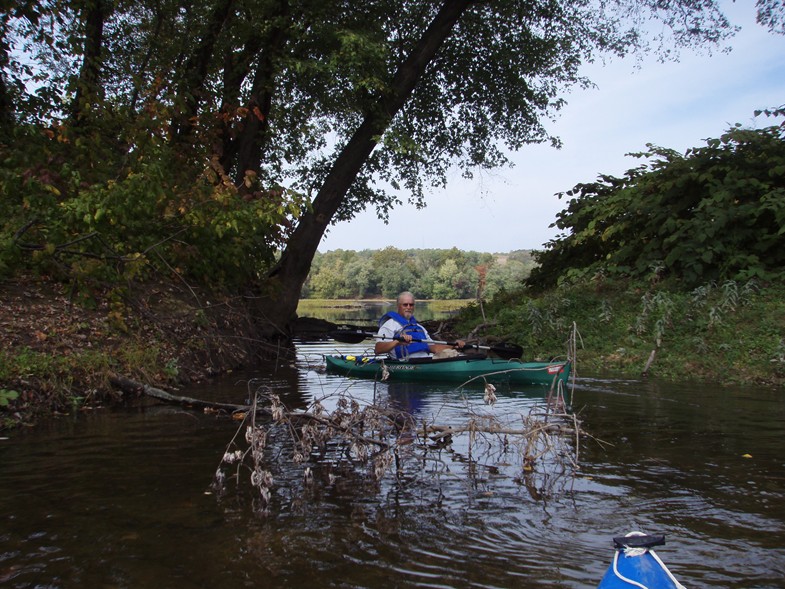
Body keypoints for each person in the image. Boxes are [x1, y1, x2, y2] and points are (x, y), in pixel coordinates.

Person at [374, 291, 464, 359]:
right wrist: (397, 342)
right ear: (398, 306)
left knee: (451, 353)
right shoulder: (389, 325)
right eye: (405, 305)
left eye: (411, 305)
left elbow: (433, 348)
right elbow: (378, 349)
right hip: (404, 363)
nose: (408, 307)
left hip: (424, 361)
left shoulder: (419, 328)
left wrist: (453, 345)